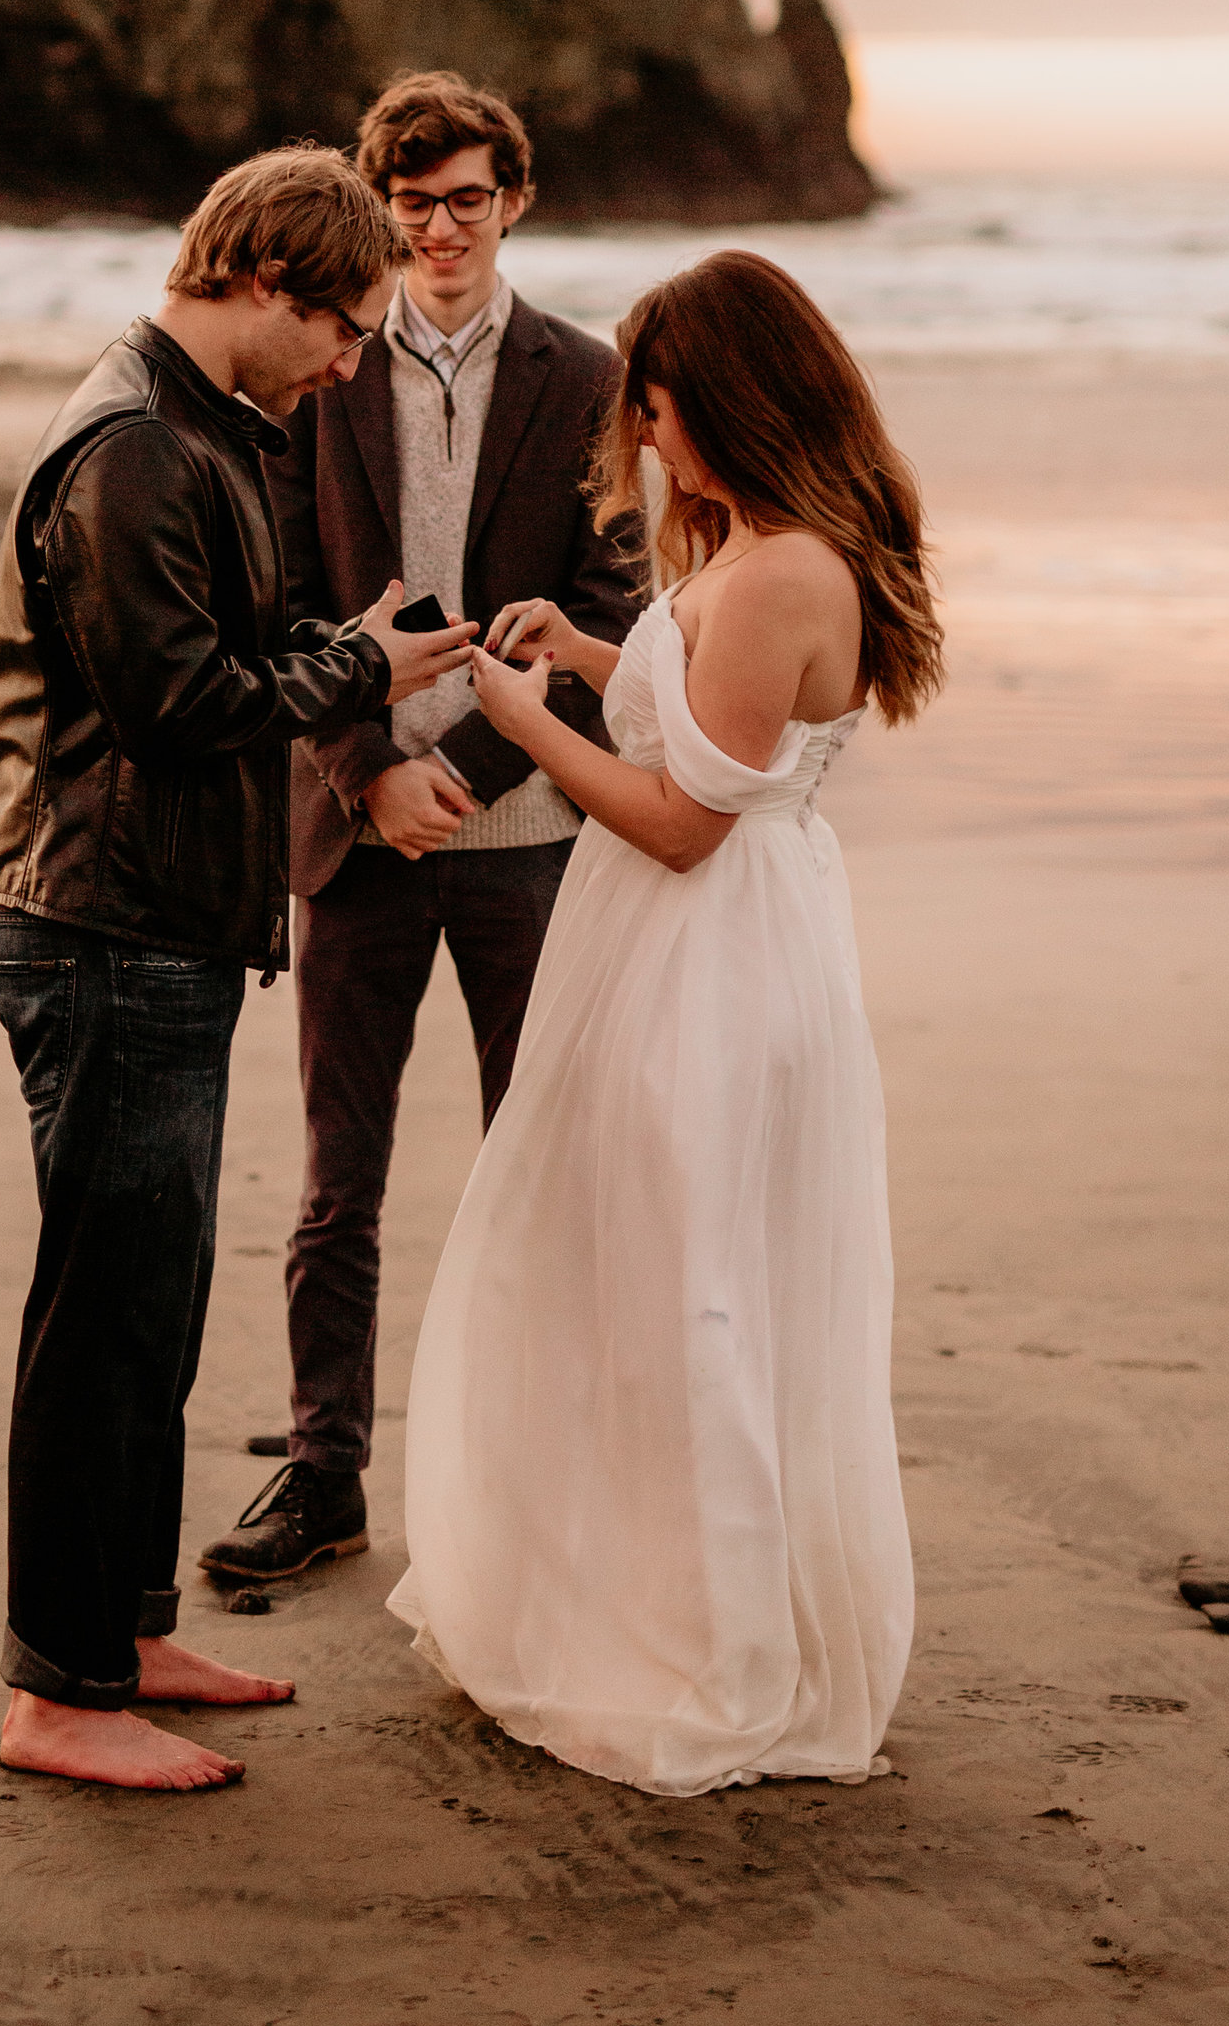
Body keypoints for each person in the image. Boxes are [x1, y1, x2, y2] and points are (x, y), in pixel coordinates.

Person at [389, 249, 943, 1795]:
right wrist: (589, 654)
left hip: (710, 963)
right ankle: (643, 1599)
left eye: (658, 403)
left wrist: (527, 723)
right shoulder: (761, 551)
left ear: (731, 397)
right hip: (684, 950)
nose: (644, 433)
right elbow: (704, 720)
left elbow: (686, 820)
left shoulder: (781, 572)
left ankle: (713, 1643)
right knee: (635, 1276)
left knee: (693, 1293)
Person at [0, 144, 478, 1795]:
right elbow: (178, 702)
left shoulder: (199, 424)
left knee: (155, 1305)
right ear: (264, 278)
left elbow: (219, 659)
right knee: (104, 1316)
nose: (348, 363)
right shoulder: (132, 444)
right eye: (338, 325)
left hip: (152, 922)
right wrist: (360, 669)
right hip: (102, 925)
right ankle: (59, 1691)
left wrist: (347, 649)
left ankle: (122, 1634)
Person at [201, 72, 645, 1594]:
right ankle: (323, 1476)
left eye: (466, 200)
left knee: (539, 1174)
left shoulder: (588, 377)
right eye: (412, 206)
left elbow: (610, 602)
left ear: (513, 200)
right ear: (383, 212)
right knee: (339, 1188)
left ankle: (538, 1485)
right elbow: (270, 600)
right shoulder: (321, 367)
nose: (440, 231)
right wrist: (363, 772)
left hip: (529, 840)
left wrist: (449, 761)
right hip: (355, 841)